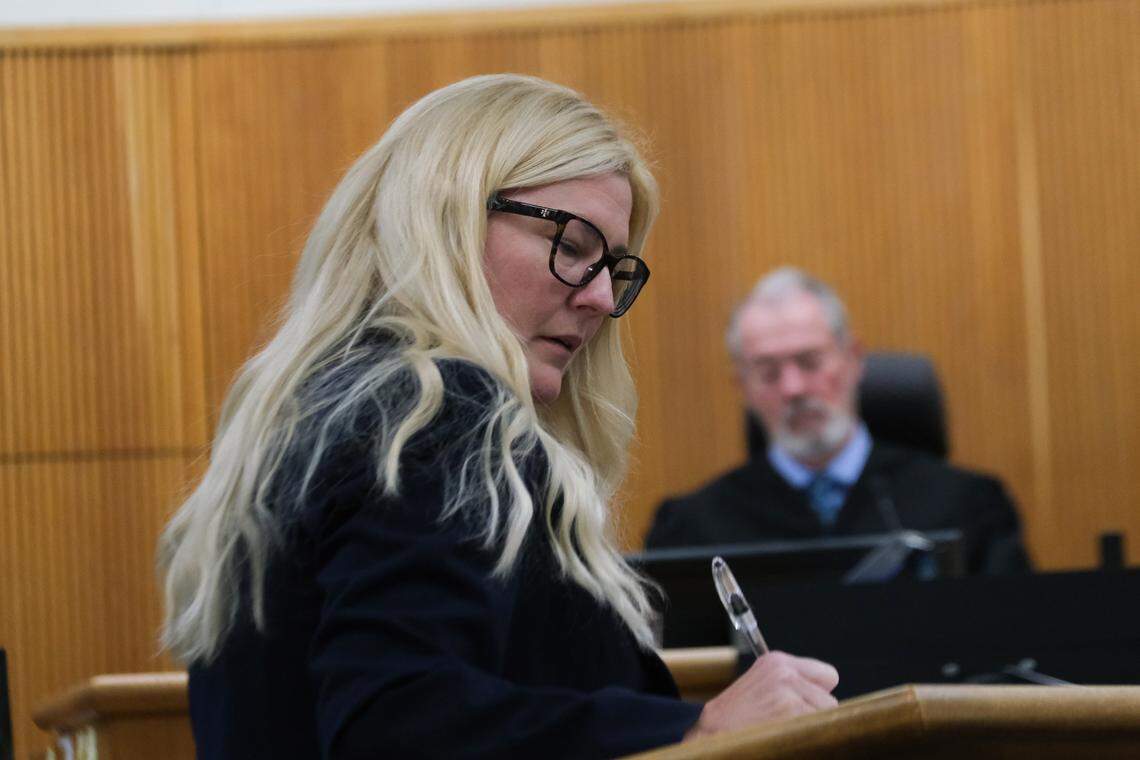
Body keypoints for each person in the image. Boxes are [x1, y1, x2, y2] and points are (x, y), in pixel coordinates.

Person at [158, 75, 839, 759]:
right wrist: (698, 731)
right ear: (447, 219)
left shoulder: (313, 416)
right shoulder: (434, 410)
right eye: (572, 247)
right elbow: (393, 726)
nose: (602, 298)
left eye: (613, 267)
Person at [645, 267, 1032, 575]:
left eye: (810, 362)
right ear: (743, 386)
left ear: (853, 359)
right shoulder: (692, 529)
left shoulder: (965, 505)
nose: (793, 388)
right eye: (768, 373)